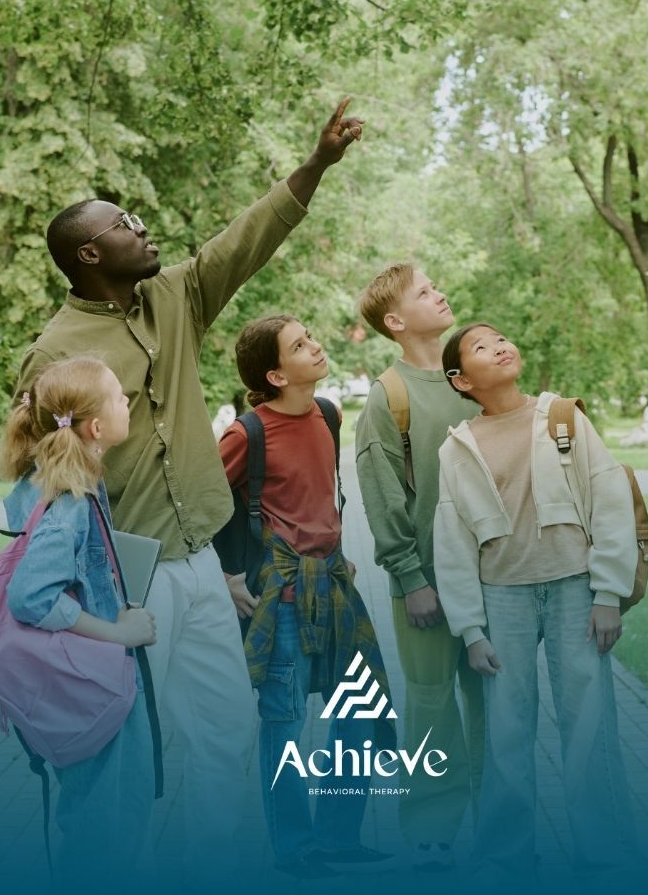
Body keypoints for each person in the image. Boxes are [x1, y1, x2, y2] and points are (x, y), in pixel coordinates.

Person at [14, 99, 363, 877]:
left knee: (226, 732)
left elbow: (245, 243)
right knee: (135, 754)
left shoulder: (175, 297)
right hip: (124, 577)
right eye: (122, 223)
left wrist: (317, 165)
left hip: (202, 559)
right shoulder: (55, 353)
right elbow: (36, 474)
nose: (141, 226)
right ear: (90, 256)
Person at [433, 323, 640, 881]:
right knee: (506, 730)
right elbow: (451, 543)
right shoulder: (458, 448)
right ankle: (506, 856)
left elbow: (610, 500)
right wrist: (471, 631)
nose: (499, 346)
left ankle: (602, 852)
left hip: (576, 587)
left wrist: (608, 594)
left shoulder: (562, 417)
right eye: (481, 346)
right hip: (503, 599)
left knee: (589, 725)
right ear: (460, 379)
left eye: (501, 338)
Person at [219, 316, 393, 878]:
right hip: (281, 596)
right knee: (285, 720)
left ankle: (339, 837)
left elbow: (320, 493)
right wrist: (227, 575)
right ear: (274, 373)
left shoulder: (327, 414)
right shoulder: (248, 433)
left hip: (335, 587)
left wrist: (335, 550)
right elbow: (202, 502)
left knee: (359, 713)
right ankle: (294, 849)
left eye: (309, 337)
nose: (315, 346)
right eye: (299, 345)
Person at [0, 356, 159, 885]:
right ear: (94, 428)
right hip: (96, 682)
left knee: (101, 816)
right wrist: (119, 632)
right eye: (118, 397)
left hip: (84, 683)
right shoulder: (70, 499)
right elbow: (31, 597)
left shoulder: (50, 481)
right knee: (105, 825)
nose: (127, 402)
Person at [353, 265, 483, 869]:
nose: (440, 292)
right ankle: (431, 827)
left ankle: (500, 818)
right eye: (425, 292)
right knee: (431, 704)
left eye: (436, 285)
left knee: (495, 703)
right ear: (397, 322)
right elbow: (383, 497)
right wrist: (411, 580)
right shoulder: (389, 396)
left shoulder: (474, 380)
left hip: (494, 578)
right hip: (427, 582)